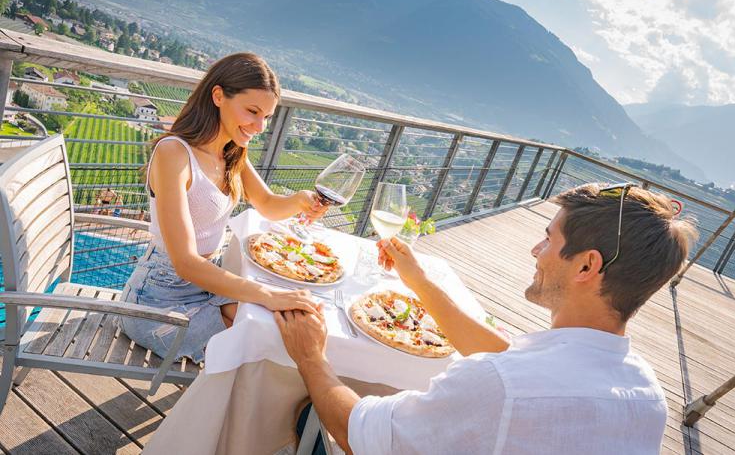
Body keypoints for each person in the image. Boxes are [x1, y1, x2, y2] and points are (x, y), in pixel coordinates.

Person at [274, 183, 698, 454]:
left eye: (549, 239)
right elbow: (510, 359)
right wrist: (418, 279)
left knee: (308, 405)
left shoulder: (500, 386)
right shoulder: (647, 396)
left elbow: (357, 433)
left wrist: (311, 357)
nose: (536, 250)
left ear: (587, 266)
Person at [119, 52, 328, 364]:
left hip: (205, 285)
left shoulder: (231, 152)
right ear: (218, 96)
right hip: (156, 299)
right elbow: (186, 263)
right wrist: (268, 295)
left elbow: (268, 205)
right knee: (256, 343)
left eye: (267, 117)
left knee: (280, 325)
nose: (259, 126)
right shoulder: (174, 154)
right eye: (252, 112)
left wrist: (300, 199)